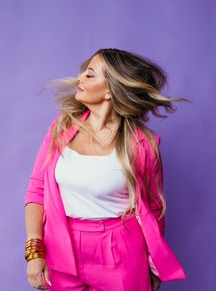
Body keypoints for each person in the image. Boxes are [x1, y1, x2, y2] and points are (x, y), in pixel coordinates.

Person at [24, 48, 187, 291]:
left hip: (121, 251)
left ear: (110, 89)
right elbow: (37, 190)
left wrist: (153, 261)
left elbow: (154, 208)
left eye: (89, 75)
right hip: (62, 245)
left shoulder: (143, 144)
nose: (79, 79)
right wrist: (34, 250)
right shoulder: (61, 128)